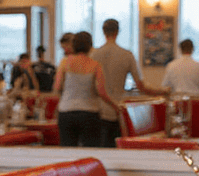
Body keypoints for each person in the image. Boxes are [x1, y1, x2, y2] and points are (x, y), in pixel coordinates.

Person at [54, 30, 115, 147]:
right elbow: (101, 92)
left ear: (74, 45)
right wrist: (115, 106)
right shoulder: (95, 65)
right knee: (90, 151)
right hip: (89, 113)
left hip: (66, 112)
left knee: (67, 150)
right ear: (90, 46)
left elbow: (57, 87)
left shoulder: (64, 62)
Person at [92, 18, 146, 147]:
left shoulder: (94, 55)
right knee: (117, 150)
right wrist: (161, 92)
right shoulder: (127, 55)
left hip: (97, 110)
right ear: (117, 32)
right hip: (118, 109)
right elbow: (140, 86)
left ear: (103, 32)